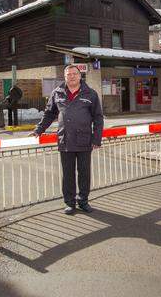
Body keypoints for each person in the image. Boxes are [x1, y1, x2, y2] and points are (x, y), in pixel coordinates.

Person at [30, 65, 103, 215]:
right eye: (68, 74)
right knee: (68, 174)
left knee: (84, 173)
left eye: (74, 74)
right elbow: (49, 114)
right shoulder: (57, 93)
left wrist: (96, 138)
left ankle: (83, 201)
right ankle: (70, 203)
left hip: (84, 140)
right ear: (64, 77)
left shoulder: (90, 93)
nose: (72, 76)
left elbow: (98, 117)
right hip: (65, 140)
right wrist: (39, 129)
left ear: (80, 75)